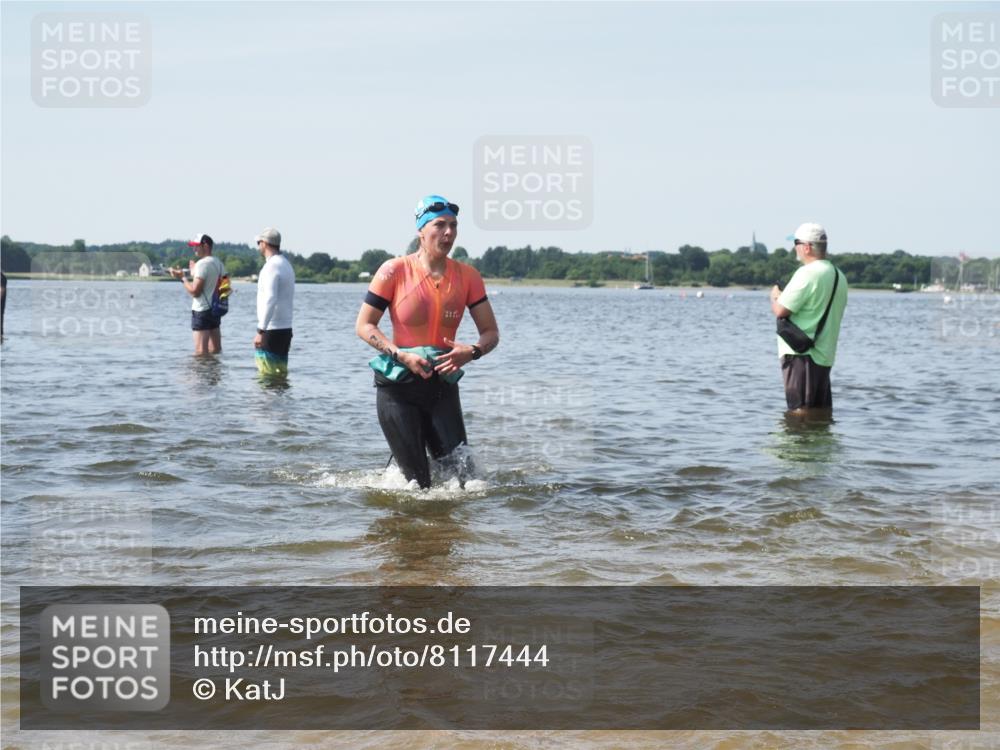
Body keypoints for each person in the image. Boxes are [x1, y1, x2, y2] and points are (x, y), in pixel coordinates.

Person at [355, 195, 500, 489]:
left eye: (453, 226)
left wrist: (471, 352)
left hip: (442, 387)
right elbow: (364, 325)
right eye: (440, 225)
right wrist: (401, 355)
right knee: (417, 486)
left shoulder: (468, 276)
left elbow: (491, 333)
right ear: (421, 231)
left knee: (464, 482)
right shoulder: (393, 270)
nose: (449, 233)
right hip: (398, 388)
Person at [770, 222, 848, 413]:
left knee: (799, 412)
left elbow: (780, 310)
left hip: (801, 354)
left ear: (806, 247)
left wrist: (774, 295)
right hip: (825, 355)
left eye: (796, 243)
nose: (794, 249)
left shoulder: (807, 273)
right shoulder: (839, 275)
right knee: (820, 414)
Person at [170, 233, 226, 355]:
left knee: (201, 353)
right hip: (215, 310)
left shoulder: (202, 264)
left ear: (205, 246)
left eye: (196, 246)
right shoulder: (219, 263)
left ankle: (203, 369)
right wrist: (194, 273)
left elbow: (195, 292)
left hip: (202, 311)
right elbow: (224, 288)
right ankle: (214, 369)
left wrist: (182, 278)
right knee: (215, 350)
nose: (194, 249)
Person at [253, 227, 295, 377]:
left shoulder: (271, 266)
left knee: (266, 376)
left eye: (259, 242)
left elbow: (270, 299)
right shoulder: (286, 264)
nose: (258, 246)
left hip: (271, 329)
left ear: (264, 243)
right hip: (285, 328)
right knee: (280, 375)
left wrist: (261, 330)